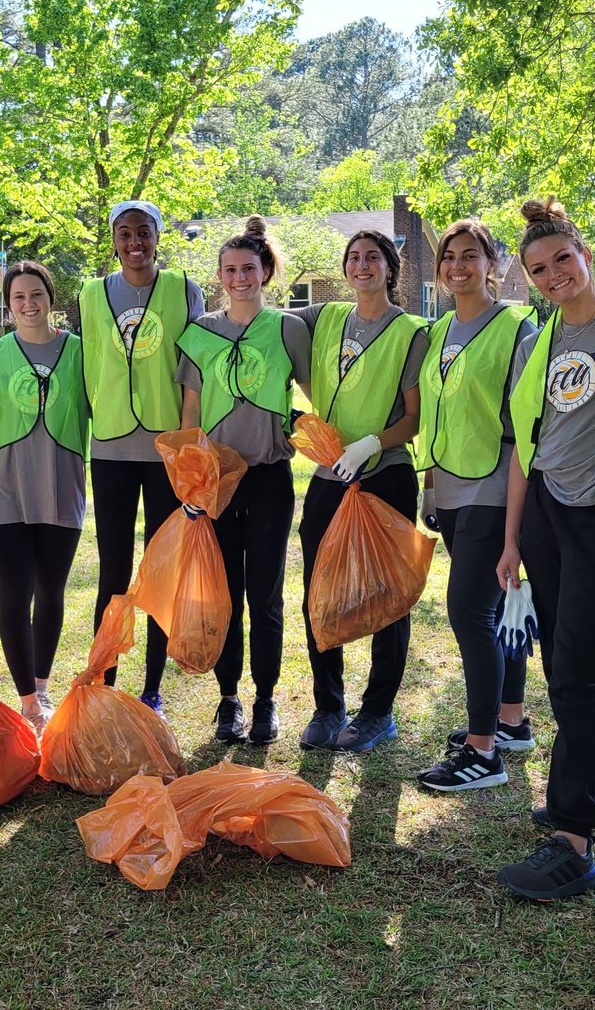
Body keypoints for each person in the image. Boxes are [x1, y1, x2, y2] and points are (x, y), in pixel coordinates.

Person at [494, 197, 595, 902]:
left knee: (576, 674)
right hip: (547, 515)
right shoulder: (538, 338)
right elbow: (525, 447)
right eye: (539, 269)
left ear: (586, 253)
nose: (554, 275)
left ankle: (574, 842)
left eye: (562, 259)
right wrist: (512, 538)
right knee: (570, 659)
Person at [176, 217, 312, 745]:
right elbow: (190, 410)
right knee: (224, 592)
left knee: (266, 592)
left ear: (266, 272)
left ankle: (266, 699)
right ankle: (229, 698)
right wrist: (191, 479)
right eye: (230, 270)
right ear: (218, 276)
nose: (239, 278)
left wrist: (317, 432)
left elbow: (314, 392)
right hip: (217, 480)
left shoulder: (287, 328)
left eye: (249, 269)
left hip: (270, 476)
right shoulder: (201, 332)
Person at [413, 220, 538, 793]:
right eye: (449, 256)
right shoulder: (440, 330)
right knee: (494, 607)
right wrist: (431, 487)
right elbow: (436, 417)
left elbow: (527, 425)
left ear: (492, 264)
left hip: (495, 486)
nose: (457, 265)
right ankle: (510, 722)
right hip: (453, 488)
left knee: (469, 612)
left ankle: (482, 752)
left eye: (470, 256)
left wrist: (515, 522)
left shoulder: (517, 328)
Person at [293, 230, 428, 752]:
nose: (362, 265)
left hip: (385, 476)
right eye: (353, 257)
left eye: (373, 257)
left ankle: (377, 712)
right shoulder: (324, 318)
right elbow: (264, 324)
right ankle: (329, 708)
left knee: (387, 597)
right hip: (330, 476)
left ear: (390, 268)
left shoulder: (410, 332)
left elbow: (414, 418)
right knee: (319, 591)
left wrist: (372, 442)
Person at [79, 200, 205, 715]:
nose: (135, 242)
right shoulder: (91, 294)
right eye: (125, 233)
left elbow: (197, 363)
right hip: (110, 444)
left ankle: (152, 689)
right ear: (113, 239)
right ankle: (103, 682)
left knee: (160, 571)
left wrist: (192, 441)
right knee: (113, 569)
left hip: (163, 448)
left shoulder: (182, 288)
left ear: (157, 236)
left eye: (144, 232)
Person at [0, 261, 88, 736]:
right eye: (19, 298)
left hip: (61, 482)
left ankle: (43, 684)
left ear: (50, 299)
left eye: (36, 295)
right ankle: (28, 702)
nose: (29, 304)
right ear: (8, 304)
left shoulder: (80, 352)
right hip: (5, 487)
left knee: (50, 592)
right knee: (15, 595)